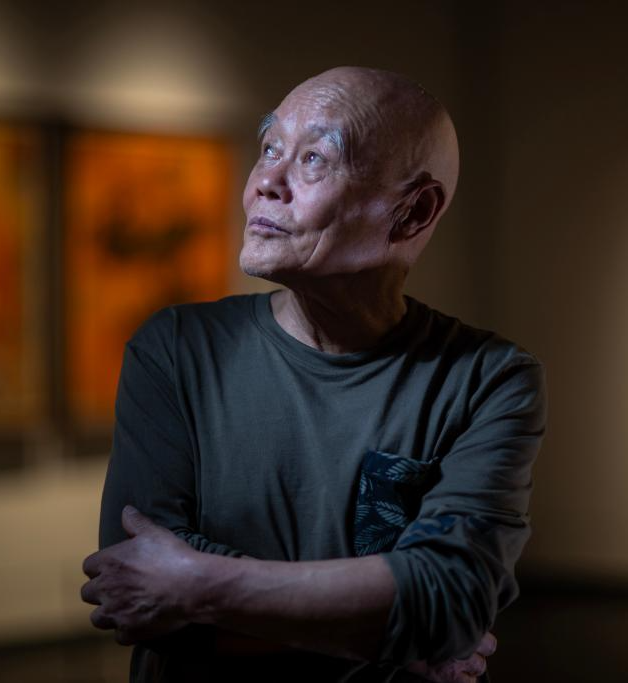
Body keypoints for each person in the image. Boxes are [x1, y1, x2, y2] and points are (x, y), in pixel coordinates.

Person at [80, 66, 546, 683]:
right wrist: (397, 633)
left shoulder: (487, 379)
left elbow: (452, 598)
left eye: (314, 160)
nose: (265, 183)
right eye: (270, 148)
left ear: (413, 211)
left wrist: (196, 582)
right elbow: (134, 592)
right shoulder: (175, 349)